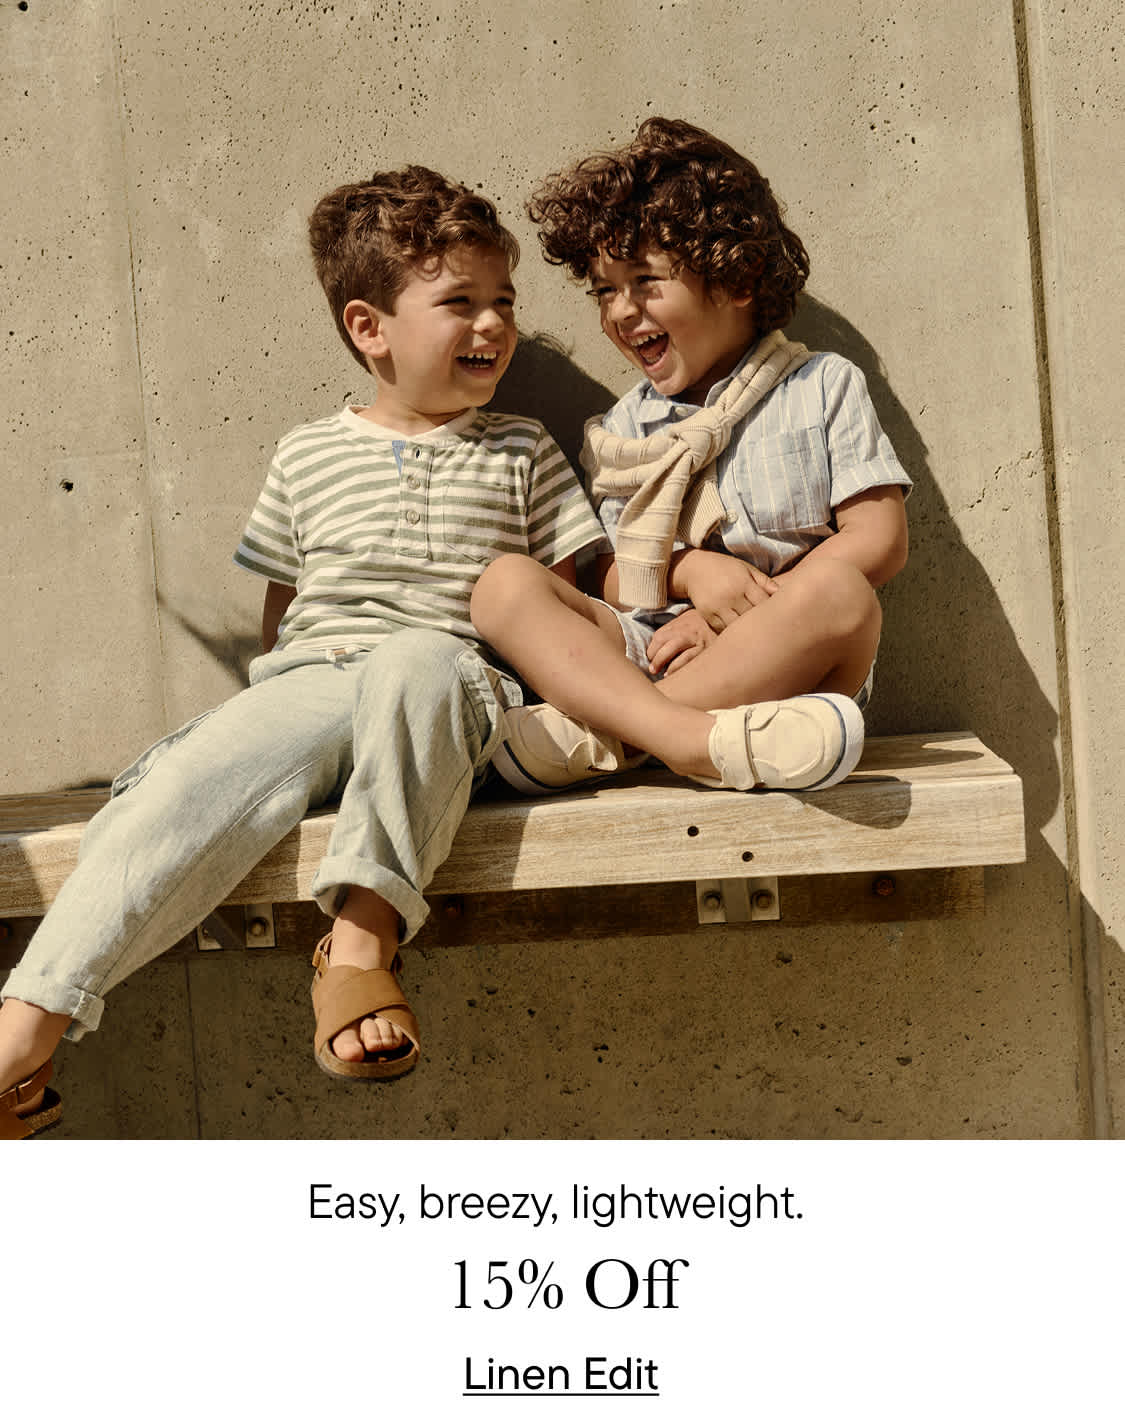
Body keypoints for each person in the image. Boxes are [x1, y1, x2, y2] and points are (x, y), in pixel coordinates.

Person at [0, 165, 605, 1139]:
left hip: (450, 692)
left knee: (418, 660)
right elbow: (285, 613)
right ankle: (28, 1024)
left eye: (504, 302)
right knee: (185, 777)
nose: (493, 325)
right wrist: (278, 733)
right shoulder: (304, 453)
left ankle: (358, 949)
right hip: (316, 680)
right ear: (371, 328)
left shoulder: (524, 448)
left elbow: (567, 598)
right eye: (460, 302)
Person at [470, 117, 911, 797]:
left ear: (736, 279)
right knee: (504, 584)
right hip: (644, 651)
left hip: (781, 655)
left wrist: (736, 620)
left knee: (845, 595)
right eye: (603, 290)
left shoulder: (820, 384)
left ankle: (610, 739)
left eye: (644, 281)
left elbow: (878, 539)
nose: (620, 310)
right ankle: (684, 740)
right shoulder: (623, 427)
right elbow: (609, 572)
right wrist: (690, 573)